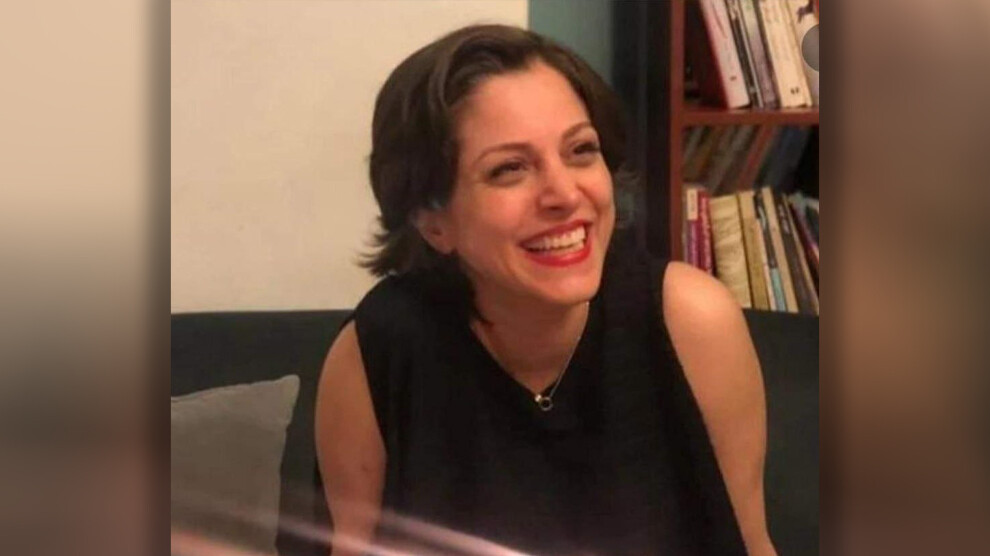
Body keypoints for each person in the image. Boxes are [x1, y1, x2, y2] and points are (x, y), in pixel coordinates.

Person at [316, 24, 775, 556]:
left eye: (580, 150)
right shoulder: (377, 355)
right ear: (432, 221)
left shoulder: (692, 321)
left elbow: (749, 542)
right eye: (509, 169)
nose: (564, 194)